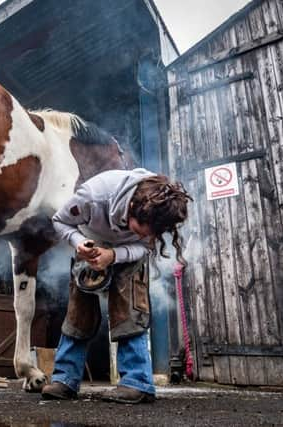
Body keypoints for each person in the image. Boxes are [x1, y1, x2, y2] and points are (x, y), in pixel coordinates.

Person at [41, 168, 192, 404]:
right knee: (78, 312)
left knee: (131, 309)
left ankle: (137, 382)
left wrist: (113, 255)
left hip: (127, 254)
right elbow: (60, 221)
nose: (150, 235)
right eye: (146, 228)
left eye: (155, 231)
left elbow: (145, 247)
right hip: (90, 246)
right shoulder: (92, 196)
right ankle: (64, 380)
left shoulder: (159, 211)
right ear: (133, 207)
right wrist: (80, 244)